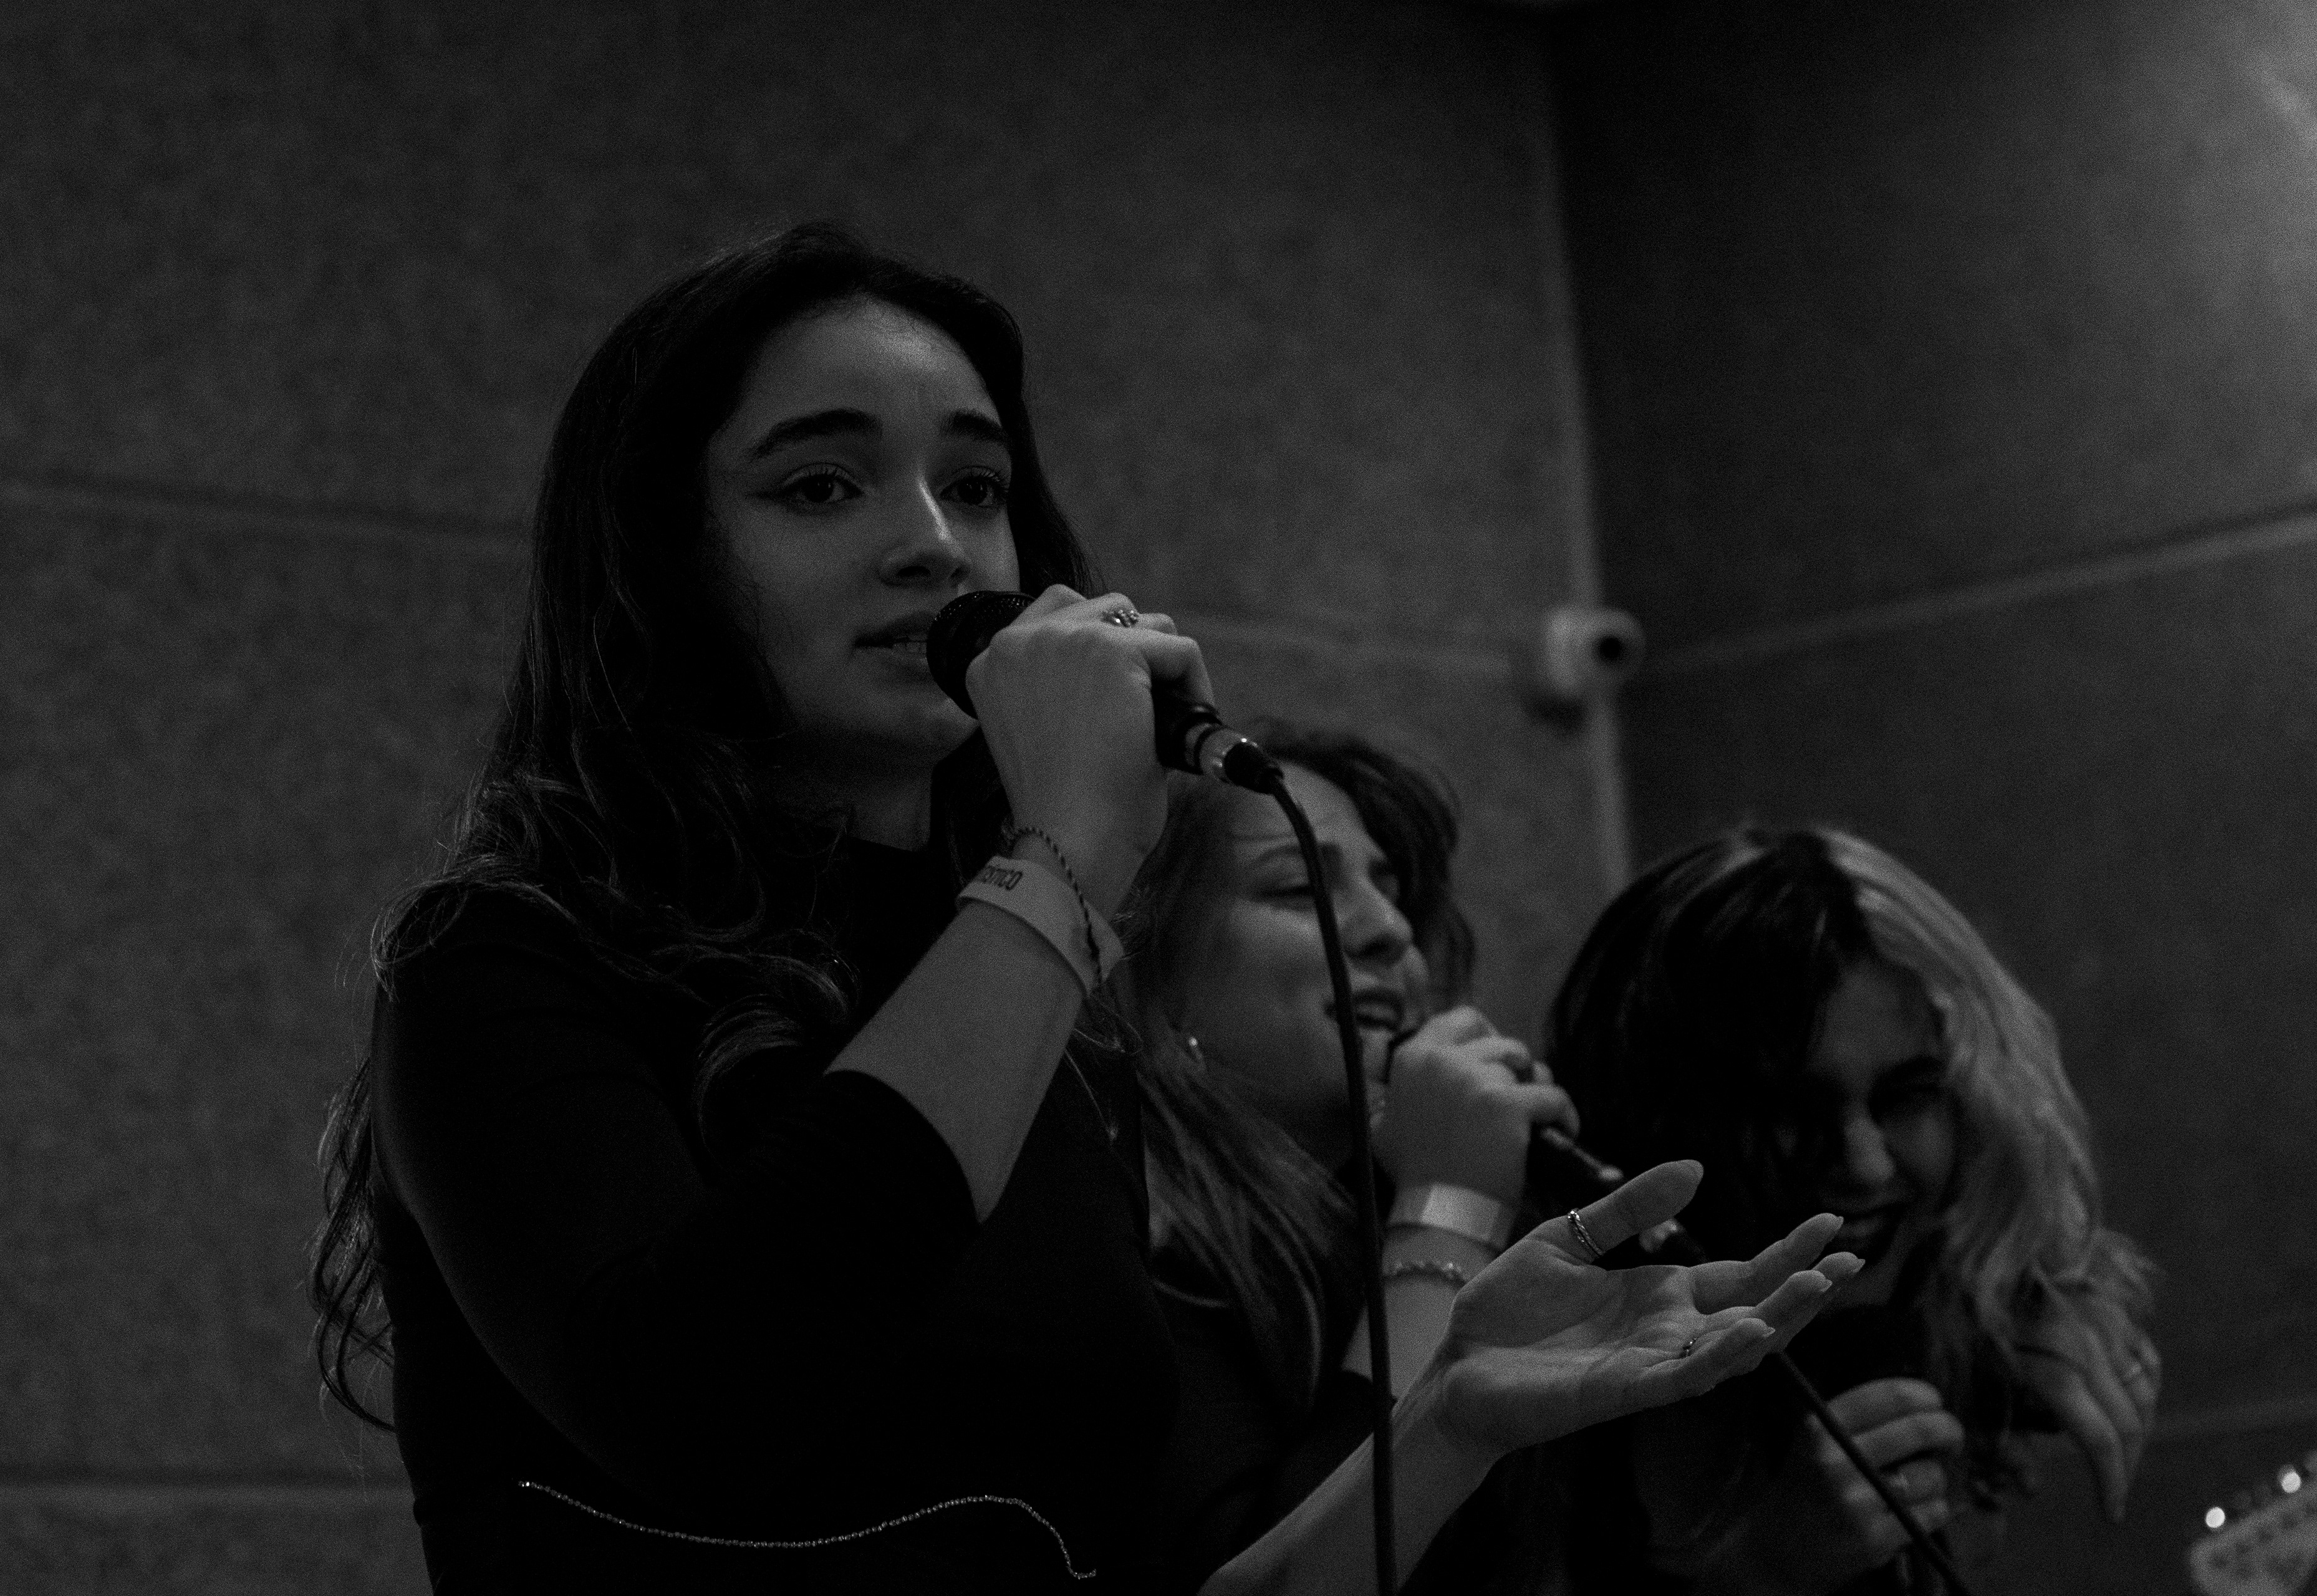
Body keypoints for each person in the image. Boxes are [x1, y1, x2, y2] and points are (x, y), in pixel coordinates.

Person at [307, 221, 1852, 1595]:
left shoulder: (1047, 1030)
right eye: (821, 483)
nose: (931, 539)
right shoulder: (501, 962)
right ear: (661, 566)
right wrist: (1062, 848)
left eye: (975, 484)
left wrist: (1449, 1414)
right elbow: (707, 1403)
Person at [1120, 721, 1802, 1594]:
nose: (1388, 932)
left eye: (1391, 890)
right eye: (1299, 889)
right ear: (1150, 963)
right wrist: (1449, 1202)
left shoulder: (1398, 1219)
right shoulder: (1125, 1253)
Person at [1543, 827, 2160, 1594]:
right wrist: (1762, 1573)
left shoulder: (1991, 1347)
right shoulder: (1545, 1412)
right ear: (1657, 1119)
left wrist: (1992, 1325)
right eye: (1792, 1110)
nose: (1865, 1165)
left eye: (1906, 1095)